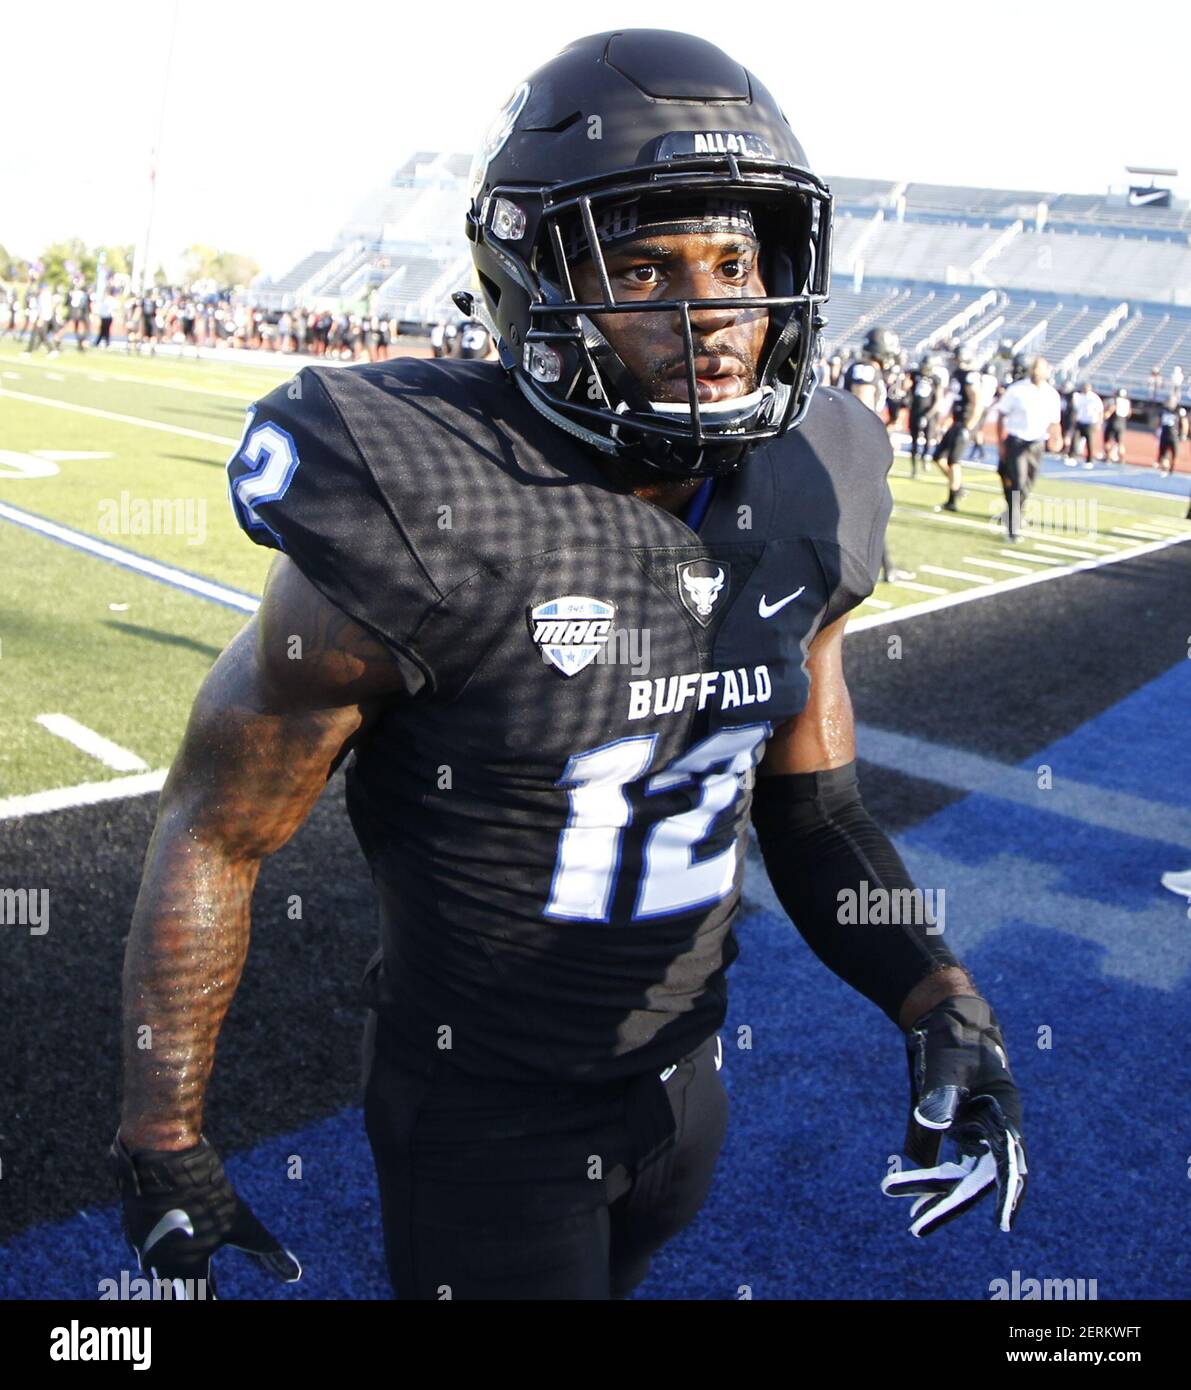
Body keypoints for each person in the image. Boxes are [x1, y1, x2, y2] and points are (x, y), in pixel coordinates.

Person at [110, 29, 1027, 1302]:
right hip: (487, 1121)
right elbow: (217, 828)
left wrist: (942, 998)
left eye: (734, 262)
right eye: (645, 267)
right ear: (531, 284)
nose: (711, 316)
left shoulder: (819, 482)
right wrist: (163, 1138)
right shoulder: (421, 497)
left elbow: (816, 812)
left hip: (687, 1083)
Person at [989, 355, 1064, 541]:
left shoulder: (1051, 394)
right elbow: (1001, 415)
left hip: (1037, 443)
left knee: (1027, 485)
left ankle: (1013, 514)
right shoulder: (1017, 390)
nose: (1037, 372)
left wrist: (1058, 438)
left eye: (1041, 368)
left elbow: (1055, 421)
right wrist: (1001, 443)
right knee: (1018, 483)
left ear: (1047, 372)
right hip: (1017, 441)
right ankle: (1013, 529)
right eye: (1035, 368)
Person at [930, 343, 981, 512]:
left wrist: (969, 426)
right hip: (957, 421)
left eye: (957, 358)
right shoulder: (958, 374)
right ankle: (957, 488)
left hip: (965, 423)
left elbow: (977, 402)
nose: (955, 361)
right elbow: (957, 400)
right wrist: (949, 420)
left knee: (954, 461)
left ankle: (952, 500)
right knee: (938, 457)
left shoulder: (971, 376)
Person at [1066, 380, 1103, 468]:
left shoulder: (1094, 398)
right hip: (1080, 421)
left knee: (1089, 442)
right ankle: (1072, 457)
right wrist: (1074, 421)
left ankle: (1089, 460)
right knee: (1075, 439)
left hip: (1090, 422)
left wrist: (1099, 423)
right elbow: (1076, 409)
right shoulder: (1079, 397)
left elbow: (1100, 411)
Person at [1156, 392, 1187, 474]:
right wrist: (1158, 430)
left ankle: (1170, 469)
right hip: (1165, 434)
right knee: (1164, 454)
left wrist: (1184, 433)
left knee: (1174, 455)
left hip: (1174, 435)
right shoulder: (1164, 410)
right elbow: (1159, 422)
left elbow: (1184, 423)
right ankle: (1166, 469)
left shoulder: (1179, 410)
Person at [1103, 387, 1131, 464]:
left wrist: (1106, 415)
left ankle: (1108, 457)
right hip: (1122, 423)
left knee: (1107, 440)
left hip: (1113, 421)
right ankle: (1121, 459)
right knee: (1120, 443)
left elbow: (1112, 408)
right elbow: (1129, 414)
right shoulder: (1127, 402)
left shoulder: (1115, 401)